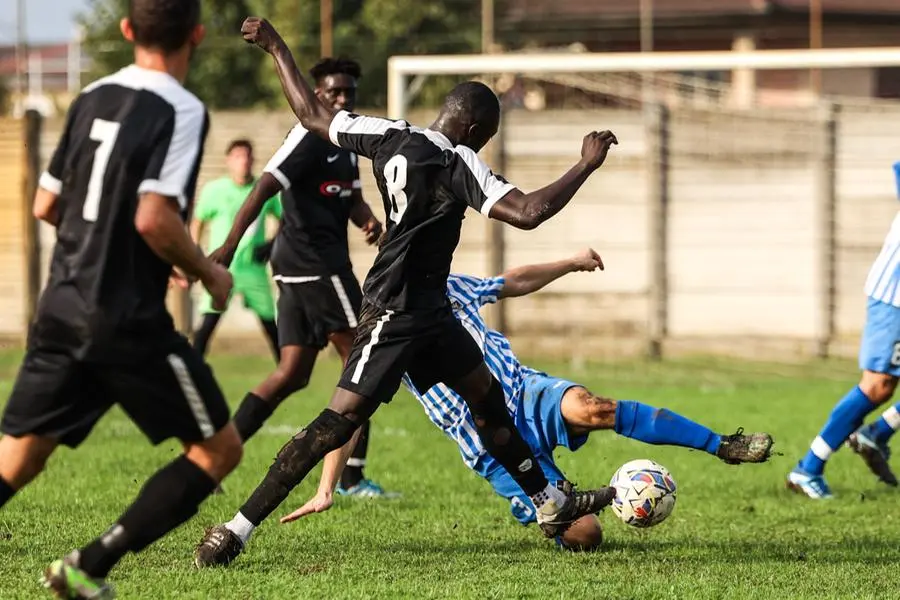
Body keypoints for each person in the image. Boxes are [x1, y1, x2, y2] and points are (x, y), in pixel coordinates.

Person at [194, 17, 618, 568]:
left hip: (432, 313)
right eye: (484, 137)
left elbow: (312, 114)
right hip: (393, 314)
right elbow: (530, 212)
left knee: (486, 399)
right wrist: (583, 165)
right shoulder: (457, 160)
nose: (482, 145)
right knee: (334, 424)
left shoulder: (388, 134)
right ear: (471, 129)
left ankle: (549, 501)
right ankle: (236, 529)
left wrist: (276, 45)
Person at [276, 249, 774, 551]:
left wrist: (571, 262)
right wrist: (327, 487)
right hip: (486, 444)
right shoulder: (383, 334)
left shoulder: (451, 288)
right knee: (586, 535)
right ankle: (562, 502)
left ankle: (721, 445)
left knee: (593, 408)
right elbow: (348, 414)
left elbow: (511, 282)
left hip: (523, 392)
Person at [0, 1, 243, 596]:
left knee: (20, 459)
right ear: (198, 35)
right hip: (126, 321)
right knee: (218, 451)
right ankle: (89, 565)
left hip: (60, 307)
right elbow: (154, 216)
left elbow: (47, 206)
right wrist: (207, 270)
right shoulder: (183, 108)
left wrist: (134, 254)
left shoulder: (91, 96)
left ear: (128, 30)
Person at [207, 57, 391, 496]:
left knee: (291, 373)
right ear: (314, 95)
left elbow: (350, 199)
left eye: (349, 92)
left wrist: (368, 221)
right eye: (334, 92)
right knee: (365, 365)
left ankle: (211, 464)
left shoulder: (347, 143)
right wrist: (230, 247)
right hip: (317, 268)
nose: (343, 99)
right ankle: (351, 477)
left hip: (300, 272)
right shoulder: (307, 136)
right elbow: (263, 187)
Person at [789, 161, 900, 498]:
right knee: (877, 386)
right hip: (896, 295)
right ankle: (808, 469)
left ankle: (878, 432)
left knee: (880, 387)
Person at [191, 139, 281, 362]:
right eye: (238, 156)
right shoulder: (215, 190)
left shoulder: (263, 188)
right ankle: (192, 370)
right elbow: (197, 222)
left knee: (272, 327)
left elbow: (285, 218)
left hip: (253, 268)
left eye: (247, 156)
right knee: (207, 326)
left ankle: (288, 372)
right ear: (228, 161)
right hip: (221, 268)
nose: (244, 161)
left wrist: (271, 244)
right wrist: (196, 254)